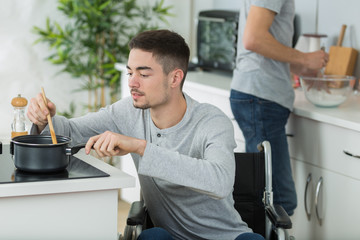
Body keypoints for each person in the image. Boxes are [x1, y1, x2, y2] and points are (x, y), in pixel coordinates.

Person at [27, 30, 264, 240]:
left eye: (144, 74)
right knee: (154, 236)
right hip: (169, 236)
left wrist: (141, 147)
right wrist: (42, 119)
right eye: (130, 72)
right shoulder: (127, 112)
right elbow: (70, 132)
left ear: (175, 78)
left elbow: (219, 182)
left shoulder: (212, 121)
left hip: (228, 237)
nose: (132, 82)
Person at [230, 0, 329, 216]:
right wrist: (305, 58)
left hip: (257, 94)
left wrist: (301, 67)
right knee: (278, 201)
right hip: (261, 96)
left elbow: (265, 44)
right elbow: (254, 39)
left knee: (266, 195)